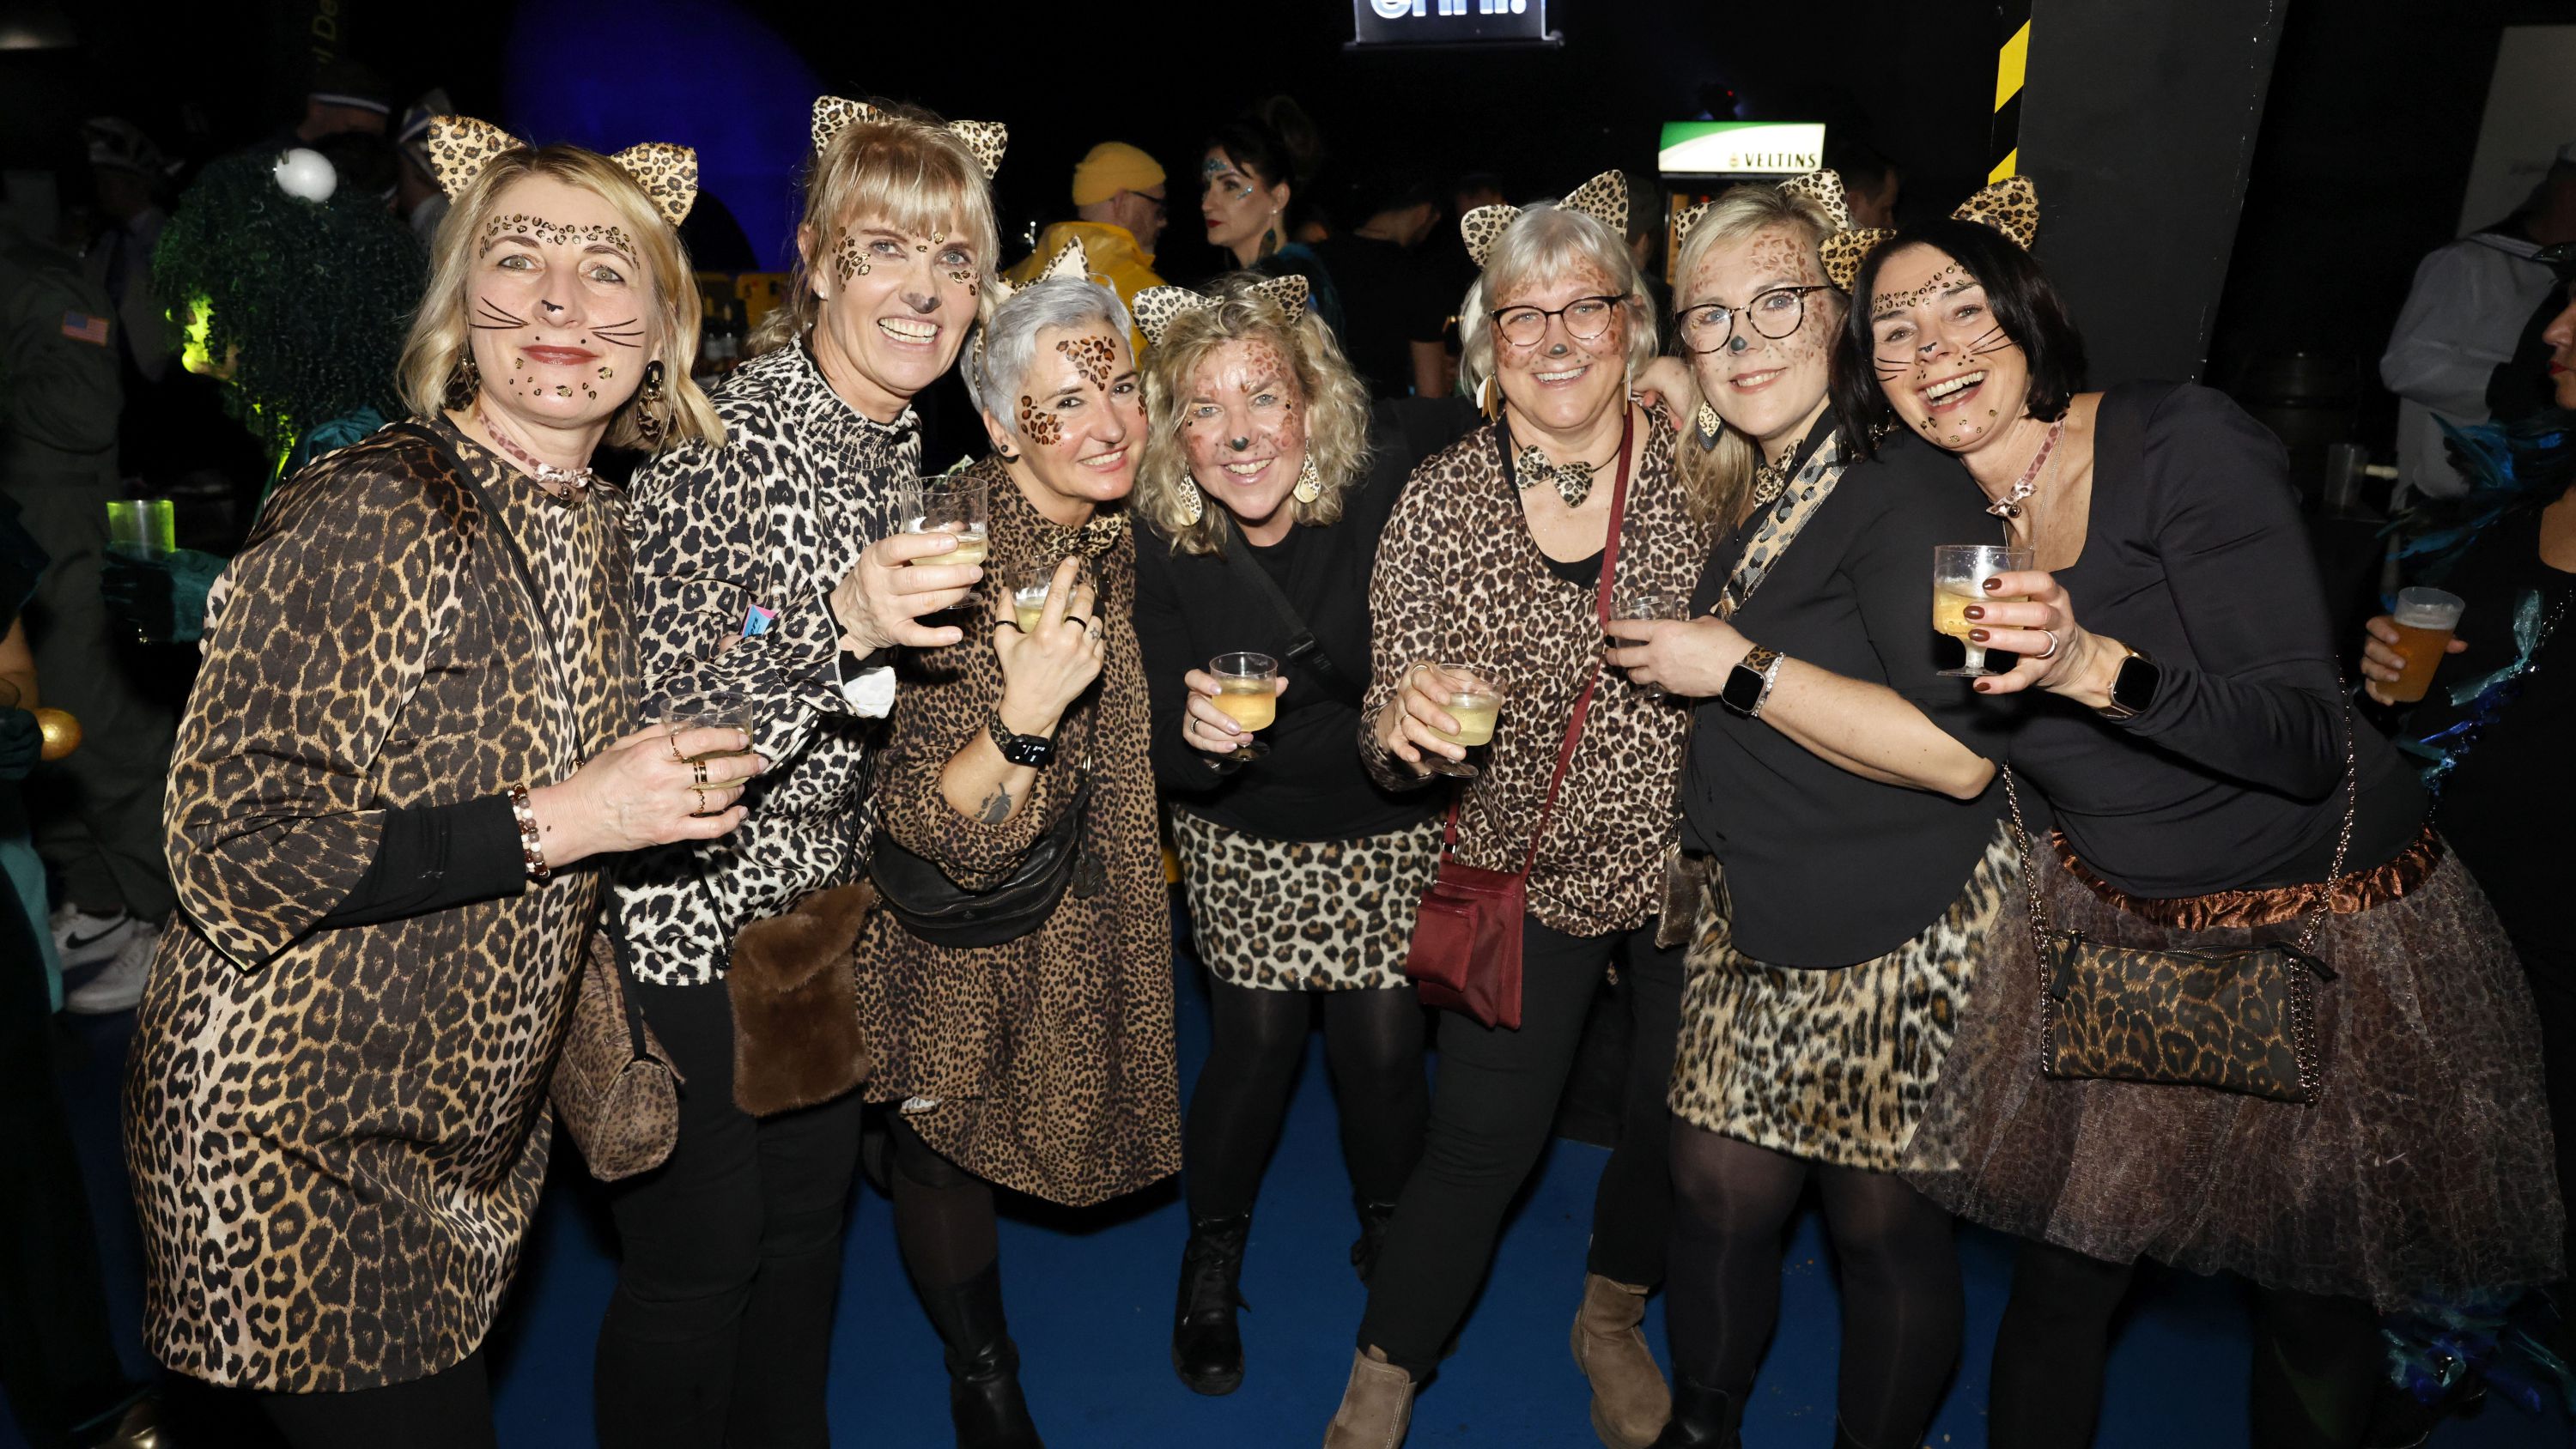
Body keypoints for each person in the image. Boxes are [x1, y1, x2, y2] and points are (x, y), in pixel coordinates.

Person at [1836, 189, 2564, 1449]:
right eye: (1895, 329)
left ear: (2029, 316)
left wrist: (2090, 667)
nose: (1933, 347)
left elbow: (2302, 745)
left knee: (2313, 1290)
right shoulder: (1925, 506)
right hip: (2130, 920)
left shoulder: (2177, 439)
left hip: (2326, 919)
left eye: (1964, 308)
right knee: (2070, 1271)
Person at [120, 118, 753, 1448]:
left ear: (660, 331)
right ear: (461, 302)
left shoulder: (593, 520)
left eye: (607, 271)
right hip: (293, 1131)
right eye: (518, 260)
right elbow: (234, 843)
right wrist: (577, 816)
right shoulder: (382, 501)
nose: (561, 304)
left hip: (456, 1124)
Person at [595, 95, 1003, 1449]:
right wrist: (842, 623)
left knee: (807, 1232)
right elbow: (663, 726)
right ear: (818, 261)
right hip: (687, 920)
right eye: (887, 250)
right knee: (700, 1267)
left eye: (954, 260)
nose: (924, 291)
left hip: (812, 920)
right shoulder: (724, 437)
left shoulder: (891, 434)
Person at [1601, 173, 2007, 1449]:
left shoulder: (1921, 492)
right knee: (1715, 1193)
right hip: (1759, 907)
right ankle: (1702, 1425)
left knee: (1881, 1232)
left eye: (1777, 303)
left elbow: (1963, 757)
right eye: (1712, 318)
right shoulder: (1778, 478)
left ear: (1838, 314)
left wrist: (1741, 666)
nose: (1745, 341)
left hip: (1904, 922)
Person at [1321, 170, 1712, 1449]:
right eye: (1522, 314)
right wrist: (1401, 726)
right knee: (1482, 1140)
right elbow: (1387, 718)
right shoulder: (1440, 498)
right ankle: (1387, 1367)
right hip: (1522, 872)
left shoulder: (1707, 468)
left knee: (1672, 1123)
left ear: (1631, 324)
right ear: (1488, 341)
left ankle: (1611, 1314)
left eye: (1585, 306)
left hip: (1691, 864)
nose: (1555, 338)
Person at [848, 269, 1178, 1449]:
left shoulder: (1116, 524)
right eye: (1066, 402)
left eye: (1122, 388)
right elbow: (927, 821)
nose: (1110, 422)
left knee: (1000, 1105)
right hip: (961, 916)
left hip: (1081, 897)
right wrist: (1026, 719)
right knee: (944, 1140)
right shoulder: (957, 561)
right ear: (998, 423)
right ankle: (980, 1373)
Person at [1128, 273, 1473, 1397]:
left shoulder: (1388, 471)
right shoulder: (1160, 538)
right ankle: (1211, 1255)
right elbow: (1160, 743)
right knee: (1257, 1044)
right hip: (1245, 824)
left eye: (1263, 397)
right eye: (1206, 407)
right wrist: (1194, 742)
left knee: (1382, 1049)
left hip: (1385, 815)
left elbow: (1522, 398)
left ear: (1312, 403)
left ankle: (1394, 1237)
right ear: (1174, 431)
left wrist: (1657, 388)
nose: (1239, 434)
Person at [2357, 274, 2576, 1309]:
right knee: (2370, 1235)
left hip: (2559, 953)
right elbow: (2441, 691)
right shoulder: (2510, 507)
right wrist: (2389, 672)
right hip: (2436, 910)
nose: (2557, 328)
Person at [96, 142, 425, 653]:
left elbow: (348, 637)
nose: (178, 310)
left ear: (268, 307)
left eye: (204, 289)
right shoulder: (312, 431)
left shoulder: (344, 449)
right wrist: (209, 575)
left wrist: (209, 599)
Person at [0, 203, 173, 1013]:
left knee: (105, 734)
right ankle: (103, 903)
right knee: (40, 743)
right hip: (20, 533)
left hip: (63, 529)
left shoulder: (40, 279)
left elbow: (84, 413)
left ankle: (169, 921)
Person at [2380, 143, 2576, 500]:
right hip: (2444, 497)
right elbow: (2404, 364)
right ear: (2566, 191)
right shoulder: (2469, 263)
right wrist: (2503, 382)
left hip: (2529, 500)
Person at [1200, 100, 1346, 343]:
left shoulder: (1288, 284)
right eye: (1207, 186)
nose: (1207, 203)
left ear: (1278, 197)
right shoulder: (1279, 276)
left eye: (1230, 185)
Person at [1309, 177, 1453, 397]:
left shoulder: (1316, 258)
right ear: (1425, 213)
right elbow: (1431, 392)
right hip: (1385, 413)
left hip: (1325, 405)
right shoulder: (1414, 276)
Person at [1009, 140, 1166, 322]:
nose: (1163, 222)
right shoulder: (1147, 299)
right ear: (1122, 203)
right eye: (1158, 208)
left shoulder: (1010, 280)